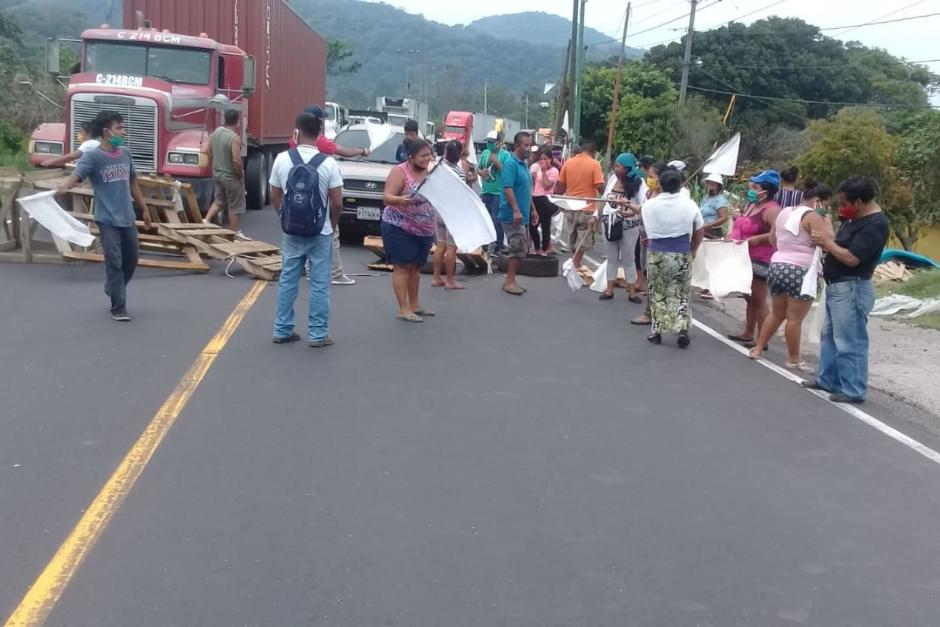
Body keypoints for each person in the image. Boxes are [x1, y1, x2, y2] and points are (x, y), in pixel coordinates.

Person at [56, 110, 152, 321]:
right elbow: (77, 174)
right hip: (107, 219)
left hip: (127, 217)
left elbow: (133, 183)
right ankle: (119, 307)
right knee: (114, 261)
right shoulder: (93, 157)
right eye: (120, 128)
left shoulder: (125, 153)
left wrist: (144, 209)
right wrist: (65, 186)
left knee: (132, 259)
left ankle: (112, 287)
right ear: (107, 132)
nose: (124, 132)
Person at [802, 176, 889, 404]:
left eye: (844, 204)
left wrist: (828, 243)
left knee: (850, 340)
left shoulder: (875, 225)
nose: (841, 208)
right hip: (839, 286)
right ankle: (828, 379)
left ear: (858, 202)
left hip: (852, 287)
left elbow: (852, 258)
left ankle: (854, 389)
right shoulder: (855, 220)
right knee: (830, 337)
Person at [269, 113, 343, 347]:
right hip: (320, 232)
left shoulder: (282, 159)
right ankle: (318, 334)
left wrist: (284, 217)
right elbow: (337, 202)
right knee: (320, 284)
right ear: (319, 134)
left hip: (292, 231)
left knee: (288, 280)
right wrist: (332, 224)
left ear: (296, 132)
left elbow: (274, 194)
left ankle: (282, 330)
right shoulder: (329, 163)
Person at [749, 181, 832, 367]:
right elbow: (828, 242)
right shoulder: (813, 216)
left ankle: (758, 348)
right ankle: (793, 358)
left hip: (778, 265)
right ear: (818, 201)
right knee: (795, 318)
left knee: (777, 312)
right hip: (801, 269)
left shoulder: (784, 212)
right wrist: (827, 223)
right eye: (825, 204)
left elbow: (773, 239)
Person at [290, 105, 369, 286]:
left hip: (298, 197)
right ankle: (335, 273)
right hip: (320, 197)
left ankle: (308, 269)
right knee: (331, 235)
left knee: (302, 234)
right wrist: (363, 151)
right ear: (317, 123)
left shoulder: (293, 142)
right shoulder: (321, 143)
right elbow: (345, 152)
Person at [641, 169, 704, 347]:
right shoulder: (689, 204)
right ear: (680, 186)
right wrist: (694, 249)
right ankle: (682, 330)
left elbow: (646, 228)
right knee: (681, 292)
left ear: (660, 185)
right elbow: (700, 229)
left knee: (658, 292)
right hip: (681, 252)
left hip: (657, 252)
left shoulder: (649, 205)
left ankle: (657, 331)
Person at [382, 139, 437, 322]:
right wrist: (400, 200)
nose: (427, 158)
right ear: (411, 157)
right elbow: (387, 197)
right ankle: (403, 309)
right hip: (399, 227)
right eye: (423, 156)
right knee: (402, 267)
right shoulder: (400, 171)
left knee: (415, 267)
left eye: (429, 155)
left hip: (424, 230)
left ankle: (415, 305)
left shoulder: (430, 172)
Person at [728, 170, 782, 348]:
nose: (751, 189)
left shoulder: (772, 209)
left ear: (766, 191)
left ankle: (762, 339)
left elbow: (778, 233)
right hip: (744, 256)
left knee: (759, 299)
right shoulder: (752, 204)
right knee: (749, 296)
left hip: (761, 259)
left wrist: (757, 239)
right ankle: (748, 332)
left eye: (755, 187)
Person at [595, 152, 646, 302]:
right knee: (611, 258)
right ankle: (609, 290)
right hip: (609, 223)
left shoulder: (639, 184)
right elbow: (604, 199)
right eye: (615, 166)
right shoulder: (613, 179)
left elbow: (644, 206)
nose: (616, 169)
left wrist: (630, 212)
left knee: (628, 259)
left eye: (619, 166)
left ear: (627, 168)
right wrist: (595, 216)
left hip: (629, 226)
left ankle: (632, 292)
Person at [556, 141, 605, 268]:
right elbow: (600, 186)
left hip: (570, 206)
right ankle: (575, 264)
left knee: (572, 236)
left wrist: (560, 200)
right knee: (583, 238)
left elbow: (561, 186)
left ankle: (574, 262)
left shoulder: (568, 162)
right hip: (586, 207)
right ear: (594, 152)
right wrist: (606, 192)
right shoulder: (594, 164)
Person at [498, 131, 536, 296]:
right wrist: (515, 210)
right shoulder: (510, 164)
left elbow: (527, 189)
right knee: (517, 247)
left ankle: (511, 280)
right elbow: (507, 188)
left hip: (523, 213)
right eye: (526, 145)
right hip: (512, 214)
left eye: (530, 145)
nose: (529, 148)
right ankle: (510, 282)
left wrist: (533, 209)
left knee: (521, 247)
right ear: (517, 146)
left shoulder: (524, 164)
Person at [204, 109, 247, 238]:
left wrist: (214, 164)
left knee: (219, 201)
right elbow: (236, 160)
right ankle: (234, 233)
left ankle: (206, 220)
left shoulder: (216, 132)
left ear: (224, 119)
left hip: (217, 174)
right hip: (231, 177)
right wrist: (240, 174)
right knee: (234, 207)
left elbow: (207, 151)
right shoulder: (234, 138)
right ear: (238, 122)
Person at [431, 140, 466, 290]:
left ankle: (436, 278)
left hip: (439, 211)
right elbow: (462, 194)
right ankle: (449, 280)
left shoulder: (439, 168)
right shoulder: (459, 172)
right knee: (451, 247)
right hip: (452, 214)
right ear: (459, 154)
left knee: (440, 246)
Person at [478, 130, 511, 255]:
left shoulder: (505, 155)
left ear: (498, 143)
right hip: (486, 191)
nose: (489, 144)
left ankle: (498, 245)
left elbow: (507, 171)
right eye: (488, 142)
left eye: (491, 142)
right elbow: (478, 168)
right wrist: (481, 172)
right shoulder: (485, 153)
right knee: (484, 219)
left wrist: (496, 161)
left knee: (497, 220)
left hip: (498, 192)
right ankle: (485, 244)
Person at [529, 147, 560, 255]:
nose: (543, 161)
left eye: (546, 159)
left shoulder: (554, 171)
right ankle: (537, 247)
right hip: (535, 197)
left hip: (545, 198)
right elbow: (534, 184)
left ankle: (544, 249)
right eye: (541, 159)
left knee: (545, 225)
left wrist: (543, 172)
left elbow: (547, 185)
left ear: (551, 159)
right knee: (532, 226)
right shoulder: (537, 168)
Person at [699, 172, 729, 239]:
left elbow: (724, 218)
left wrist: (709, 225)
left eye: (714, 183)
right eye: (710, 182)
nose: (711, 184)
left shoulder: (720, 200)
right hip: (703, 231)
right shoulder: (706, 198)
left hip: (713, 232)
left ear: (718, 186)